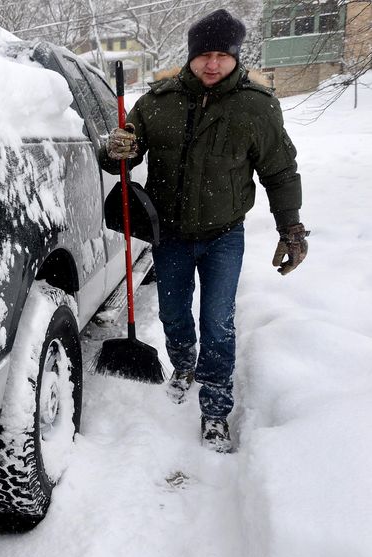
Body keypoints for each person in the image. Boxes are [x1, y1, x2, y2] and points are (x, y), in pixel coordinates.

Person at [100, 9, 309, 452]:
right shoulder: (157, 103)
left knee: (218, 321)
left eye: (222, 55)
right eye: (203, 55)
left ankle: (215, 407)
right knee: (175, 315)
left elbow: (280, 171)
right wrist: (114, 147)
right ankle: (183, 364)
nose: (212, 64)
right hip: (170, 234)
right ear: (191, 55)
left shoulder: (256, 106)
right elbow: (121, 155)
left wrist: (291, 228)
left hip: (223, 234)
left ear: (235, 56)